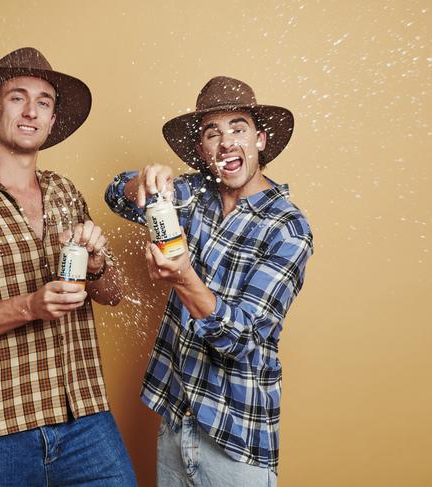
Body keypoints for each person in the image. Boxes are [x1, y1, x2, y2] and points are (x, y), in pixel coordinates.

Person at [0, 47, 136, 486]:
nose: (31, 111)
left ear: (52, 122)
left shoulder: (65, 192)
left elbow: (112, 294)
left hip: (83, 418)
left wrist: (95, 264)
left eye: (44, 102)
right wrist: (30, 306)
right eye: (18, 97)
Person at [105, 76, 313, 486]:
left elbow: (240, 338)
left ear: (260, 140)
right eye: (212, 133)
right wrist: (143, 181)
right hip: (175, 421)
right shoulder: (192, 195)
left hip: (235, 441)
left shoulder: (288, 228)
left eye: (238, 128)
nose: (226, 142)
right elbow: (115, 194)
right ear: (202, 150)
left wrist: (183, 277)